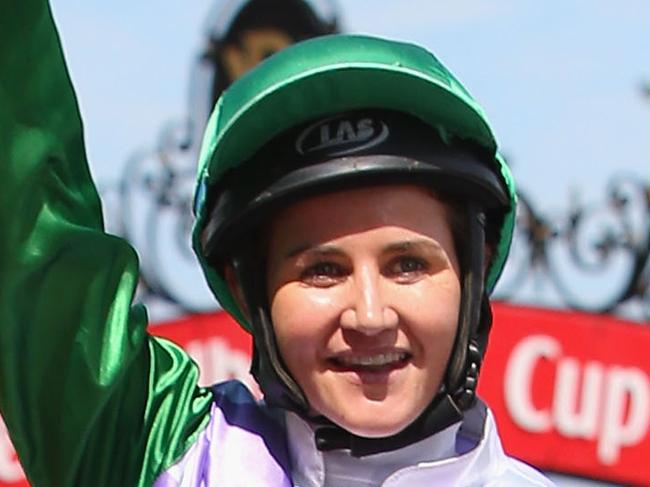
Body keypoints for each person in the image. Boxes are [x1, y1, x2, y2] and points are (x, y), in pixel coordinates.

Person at [0, 1, 554, 486]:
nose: (369, 314)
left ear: (472, 268)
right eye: (322, 271)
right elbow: (29, 230)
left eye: (407, 264)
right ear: (248, 286)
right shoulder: (159, 460)